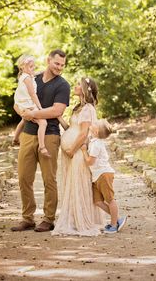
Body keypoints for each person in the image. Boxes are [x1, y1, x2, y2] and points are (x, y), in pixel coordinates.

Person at [11, 49, 70, 232]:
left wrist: (33, 113)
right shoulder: (31, 78)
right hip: (28, 134)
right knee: (23, 178)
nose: (59, 67)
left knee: (49, 180)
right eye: (57, 63)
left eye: (62, 65)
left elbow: (56, 111)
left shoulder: (63, 85)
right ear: (48, 61)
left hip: (50, 135)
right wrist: (23, 113)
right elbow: (17, 102)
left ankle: (48, 218)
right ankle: (27, 218)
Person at [51, 77, 104, 236]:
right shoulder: (78, 108)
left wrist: (72, 150)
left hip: (78, 153)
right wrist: (59, 118)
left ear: (84, 89)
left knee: (78, 184)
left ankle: (82, 220)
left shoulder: (88, 109)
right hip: (72, 152)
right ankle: (74, 217)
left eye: (78, 85)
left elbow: (82, 134)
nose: (74, 86)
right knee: (72, 184)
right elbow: (71, 128)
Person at [81, 119, 127, 234]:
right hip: (97, 176)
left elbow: (90, 162)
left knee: (110, 199)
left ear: (96, 131)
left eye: (95, 124)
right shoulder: (94, 141)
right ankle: (116, 219)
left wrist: (83, 151)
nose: (92, 123)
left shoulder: (97, 144)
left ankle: (113, 225)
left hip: (103, 174)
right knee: (97, 201)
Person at [13, 54, 50, 157]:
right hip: (28, 104)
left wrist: (43, 71)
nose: (33, 68)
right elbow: (33, 94)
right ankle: (42, 147)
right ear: (22, 67)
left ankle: (15, 138)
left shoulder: (25, 75)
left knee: (24, 120)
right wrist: (40, 108)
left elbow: (34, 73)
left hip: (23, 104)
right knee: (43, 123)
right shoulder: (27, 78)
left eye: (34, 66)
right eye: (30, 66)